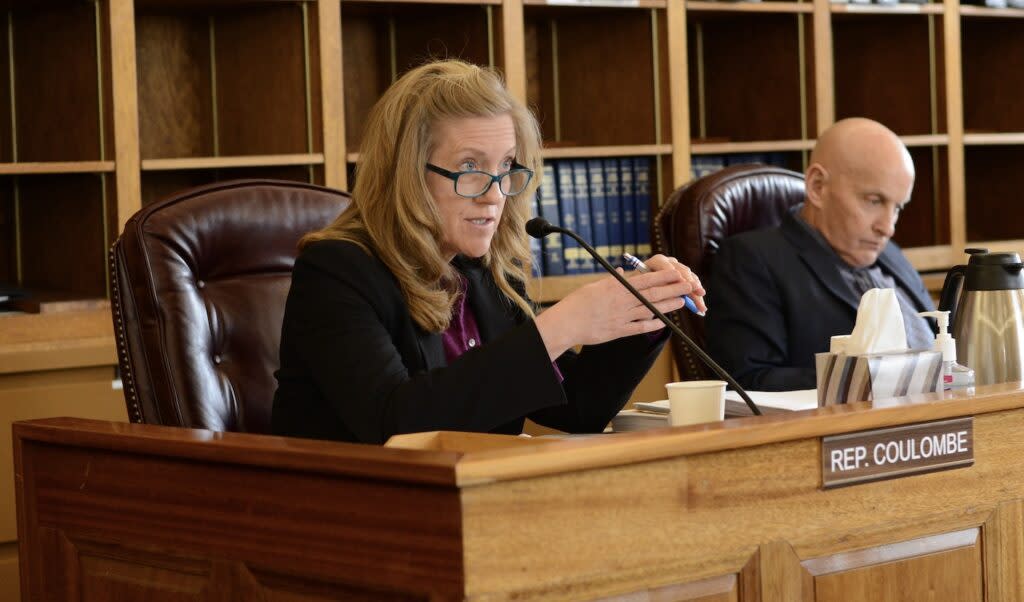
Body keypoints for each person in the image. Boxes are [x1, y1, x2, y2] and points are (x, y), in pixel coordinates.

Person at [272, 59, 705, 444]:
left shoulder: (481, 270)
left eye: (505, 166)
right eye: (469, 167)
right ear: (406, 174)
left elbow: (579, 407)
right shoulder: (335, 272)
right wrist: (562, 325)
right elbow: (395, 423)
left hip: (471, 508)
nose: (495, 195)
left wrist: (644, 309)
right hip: (355, 512)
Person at [704, 118, 935, 392]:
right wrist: (876, 380)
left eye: (898, 208)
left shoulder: (892, 255)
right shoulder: (752, 261)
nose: (887, 227)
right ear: (817, 186)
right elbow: (749, 381)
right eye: (874, 201)